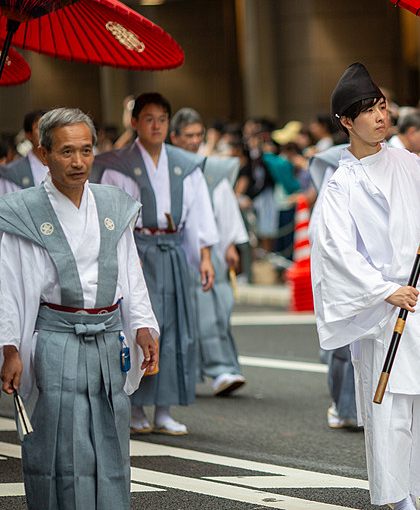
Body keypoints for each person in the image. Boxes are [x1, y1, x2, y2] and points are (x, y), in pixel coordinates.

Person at [310, 62, 420, 510]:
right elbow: (335, 251)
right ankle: (395, 495)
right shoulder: (341, 184)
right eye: (368, 110)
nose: (380, 116)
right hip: (383, 306)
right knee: (390, 406)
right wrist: (383, 290)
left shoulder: (412, 164)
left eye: (382, 106)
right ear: (347, 122)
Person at [0, 107, 159, 509]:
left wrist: (141, 324)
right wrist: (10, 348)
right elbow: (9, 286)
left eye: (86, 150)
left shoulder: (113, 205)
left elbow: (130, 271)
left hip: (107, 337)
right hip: (56, 338)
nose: (78, 162)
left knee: (111, 433)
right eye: (66, 151)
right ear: (43, 154)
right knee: (60, 439)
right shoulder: (23, 211)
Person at [93, 93, 219, 435]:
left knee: (175, 329)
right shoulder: (118, 164)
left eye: (162, 119)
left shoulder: (184, 164)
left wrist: (205, 257)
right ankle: (135, 407)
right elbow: (110, 215)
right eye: (148, 119)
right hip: (137, 249)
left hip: (173, 248)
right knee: (139, 325)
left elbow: (199, 213)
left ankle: (164, 409)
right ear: (134, 122)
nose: (156, 126)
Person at [170, 107, 249, 393]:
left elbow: (225, 207)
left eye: (198, 135)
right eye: (188, 135)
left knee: (215, 310)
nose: (194, 141)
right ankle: (184, 374)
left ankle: (222, 369)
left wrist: (230, 244)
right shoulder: (165, 166)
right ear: (174, 137)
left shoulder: (211, 169)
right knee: (175, 315)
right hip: (172, 248)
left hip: (208, 249)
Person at [0, 109, 48, 194]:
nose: (45, 131)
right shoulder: (11, 172)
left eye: (49, 127)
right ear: (29, 135)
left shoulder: (65, 164)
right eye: (39, 127)